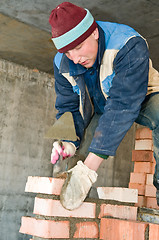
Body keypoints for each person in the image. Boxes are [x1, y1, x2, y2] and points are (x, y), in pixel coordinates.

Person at [49, 2, 159, 210]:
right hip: (103, 105)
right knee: (77, 158)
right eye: (68, 52)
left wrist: (89, 169)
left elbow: (122, 105)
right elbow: (67, 105)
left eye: (78, 48)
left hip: (142, 95)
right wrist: (67, 141)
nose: (75, 58)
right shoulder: (62, 62)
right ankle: (71, 216)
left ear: (94, 33)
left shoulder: (128, 44)